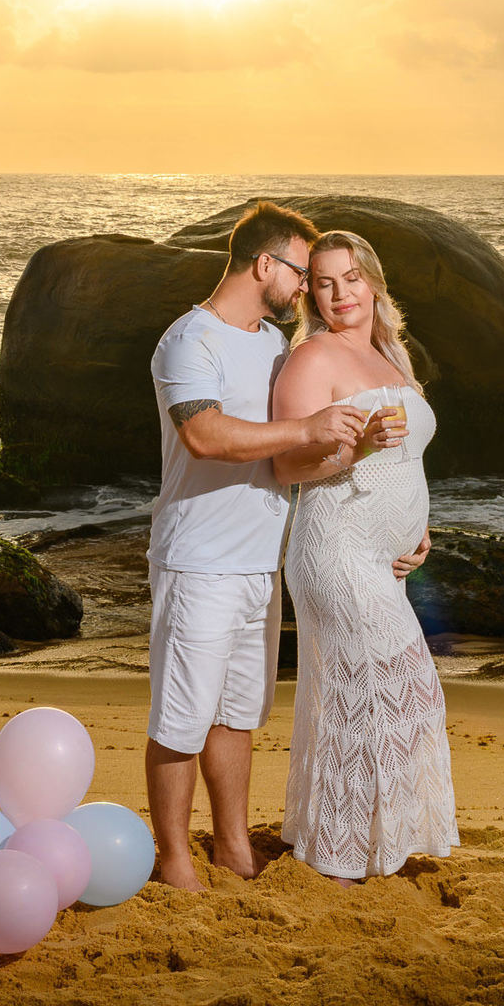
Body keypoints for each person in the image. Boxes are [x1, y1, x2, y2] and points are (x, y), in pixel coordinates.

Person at [146, 200, 373, 892]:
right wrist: (307, 429)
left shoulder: (274, 344)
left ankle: (233, 846)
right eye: (303, 273)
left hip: (259, 563)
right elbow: (206, 436)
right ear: (264, 263)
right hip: (197, 560)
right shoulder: (190, 340)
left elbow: (298, 453)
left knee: (238, 713)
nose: (307, 289)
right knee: (182, 718)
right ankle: (174, 857)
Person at [272, 230, 458, 884]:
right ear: (311, 295)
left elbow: (408, 456)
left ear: (372, 279)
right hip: (335, 545)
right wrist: (361, 449)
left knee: (364, 694)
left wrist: (418, 527)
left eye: (350, 277)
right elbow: (287, 464)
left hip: (384, 557)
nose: (340, 293)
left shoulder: (392, 353)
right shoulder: (311, 359)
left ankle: (365, 841)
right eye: (324, 282)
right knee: (396, 685)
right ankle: (342, 857)